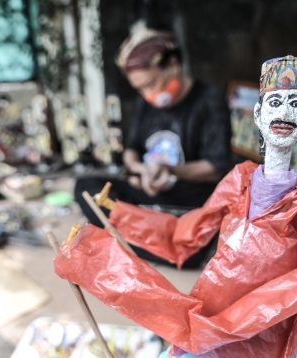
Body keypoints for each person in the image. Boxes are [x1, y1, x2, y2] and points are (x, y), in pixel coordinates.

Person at [55, 56, 297, 358]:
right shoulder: (241, 180)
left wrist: (241, 318)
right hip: (211, 309)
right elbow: (183, 232)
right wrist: (120, 213)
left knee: (193, 329)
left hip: (261, 332)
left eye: (294, 104)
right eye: (274, 102)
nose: (283, 113)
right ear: (258, 113)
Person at [74, 29, 232, 265]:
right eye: (140, 89)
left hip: (188, 197)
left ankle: (143, 242)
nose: (148, 94)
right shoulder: (146, 104)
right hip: (149, 191)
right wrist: (140, 170)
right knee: (86, 187)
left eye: (151, 84)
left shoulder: (210, 101)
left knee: (200, 229)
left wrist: (170, 170)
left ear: (173, 64)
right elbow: (131, 150)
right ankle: (156, 242)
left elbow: (216, 167)